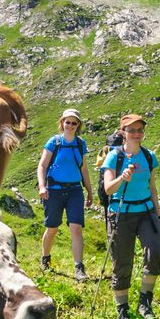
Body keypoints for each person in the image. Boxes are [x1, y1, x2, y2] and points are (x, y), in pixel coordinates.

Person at [101, 113, 160, 319]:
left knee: (154, 252)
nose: (137, 134)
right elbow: (109, 189)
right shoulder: (114, 157)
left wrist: (158, 214)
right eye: (132, 130)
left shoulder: (148, 156)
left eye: (140, 130)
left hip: (146, 211)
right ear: (123, 133)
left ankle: (145, 303)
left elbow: (152, 187)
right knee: (122, 262)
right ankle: (122, 309)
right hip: (121, 213)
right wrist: (122, 177)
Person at [36, 109, 94, 282]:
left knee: (76, 228)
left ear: (78, 126)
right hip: (53, 190)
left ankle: (79, 267)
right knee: (52, 228)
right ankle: (45, 257)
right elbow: (42, 166)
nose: (70, 126)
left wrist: (90, 191)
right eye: (67, 122)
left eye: (74, 123)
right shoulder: (54, 142)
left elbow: (84, 169)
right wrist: (42, 186)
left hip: (75, 190)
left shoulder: (80, 144)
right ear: (62, 123)